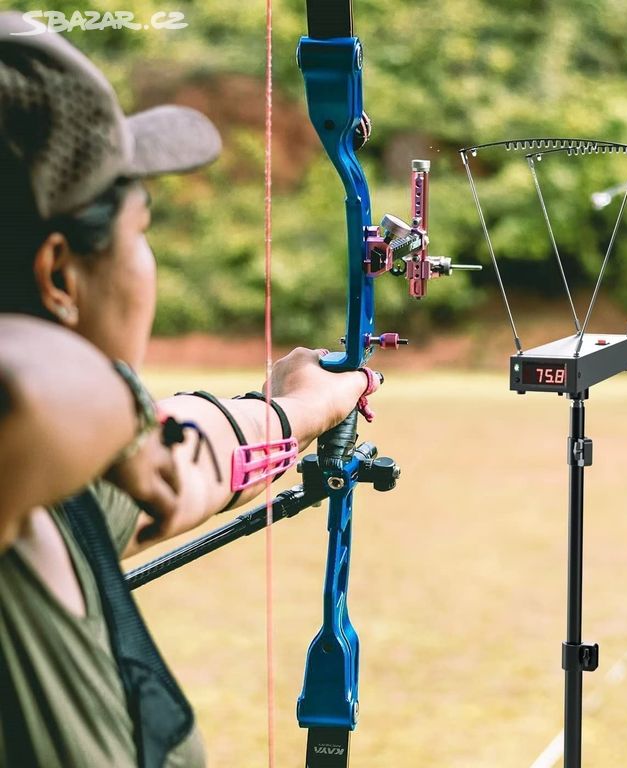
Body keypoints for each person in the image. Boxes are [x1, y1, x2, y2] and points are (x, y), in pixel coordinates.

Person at [0, 12, 373, 767]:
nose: (148, 263)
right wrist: (132, 421)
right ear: (60, 274)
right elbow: (24, 394)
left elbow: (190, 465)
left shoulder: (68, 485)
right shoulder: (27, 449)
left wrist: (298, 410)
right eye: (142, 231)